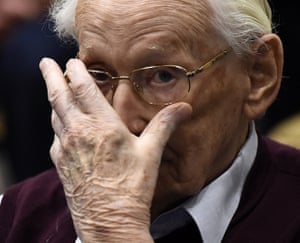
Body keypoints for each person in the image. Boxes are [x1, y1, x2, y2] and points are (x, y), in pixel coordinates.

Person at [1, 0, 300, 242]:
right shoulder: (16, 216)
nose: (122, 121)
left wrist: (113, 230)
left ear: (258, 74)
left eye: (163, 76)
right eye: (99, 75)